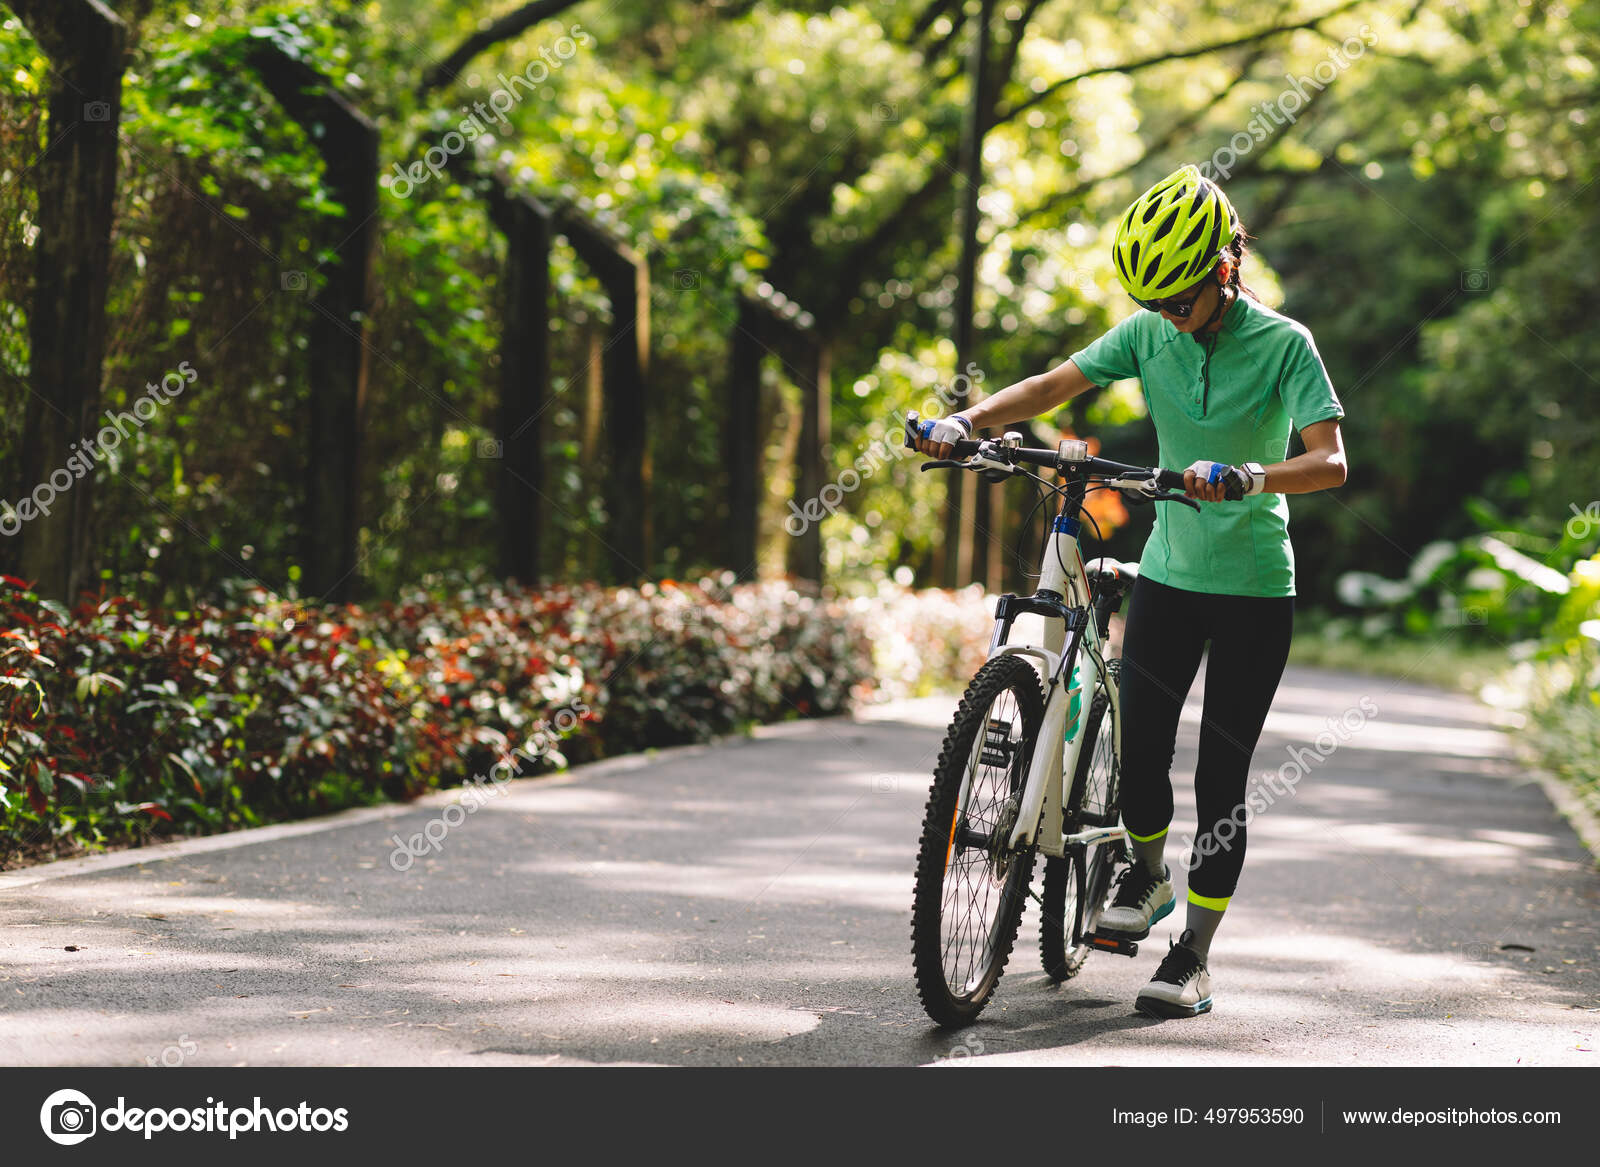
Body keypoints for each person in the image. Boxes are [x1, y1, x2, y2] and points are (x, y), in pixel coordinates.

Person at [914, 164, 1347, 1019]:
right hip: (1172, 577)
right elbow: (1052, 386)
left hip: (1257, 590)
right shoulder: (1149, 336)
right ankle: (1147, 879)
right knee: (1143, 756)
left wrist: (1253, 474)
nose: (1169, 318)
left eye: (1180, 300)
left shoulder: (1286, 344)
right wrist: (969, 422)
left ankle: (1194, 955)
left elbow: (1330, 460)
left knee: (1222, 779)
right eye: (1155, 304)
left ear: (1225, 269)